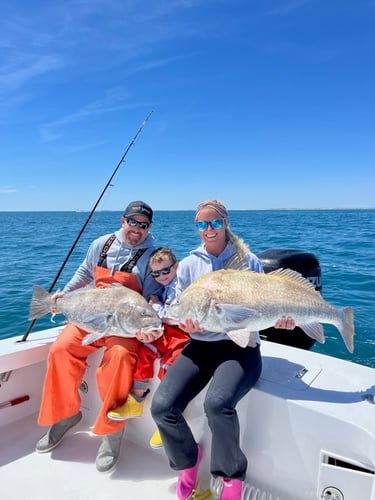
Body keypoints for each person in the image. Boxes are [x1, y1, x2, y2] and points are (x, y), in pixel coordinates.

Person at [150, 199, 295, 500]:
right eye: (202, 224)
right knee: (162, 406)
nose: (209, 229)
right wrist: (187, 324)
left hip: (239, 349)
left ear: (225, 222)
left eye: (214, 222)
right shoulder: (189, 265)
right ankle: (189, 461)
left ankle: (230, 477)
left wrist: (281, 319)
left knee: (217, 404)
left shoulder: (248, 261)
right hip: (200, 347)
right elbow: (178, 305)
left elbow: (262, 306)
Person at [35, 200, 164, 474]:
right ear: (123, 220)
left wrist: (148, 322)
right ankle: (67, 414)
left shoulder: (152, 255)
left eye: (143, 225)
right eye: (133, 222)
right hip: (92, 313)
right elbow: (84, 273)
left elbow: (153, 297)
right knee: (61, 350)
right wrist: (62, 296)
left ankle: (112, 433)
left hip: (126, 322)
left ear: (149, 228)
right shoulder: (101, 244)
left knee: (118, 359)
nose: (137, 229)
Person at [107, 247, 190, 449]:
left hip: (181, 334)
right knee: (146, 351)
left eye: (166, 271)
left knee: (169, 366)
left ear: (176, 267)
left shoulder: (181, 286)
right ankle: (136, 399)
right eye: (156, 273)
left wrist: (154, 306)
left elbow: (174, 314)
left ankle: (169, 414)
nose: (161, 277)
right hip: (164, 331)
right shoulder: (162, 287)